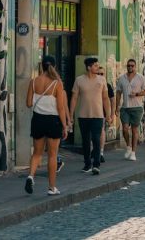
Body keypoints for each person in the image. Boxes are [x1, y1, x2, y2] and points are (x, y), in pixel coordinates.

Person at [25, 56, 69, 197]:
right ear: (54, 67)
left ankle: (31, 176)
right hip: (53, 120)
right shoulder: (57, 84)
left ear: (41, 66)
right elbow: (61, 108)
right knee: (52, 155)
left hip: (37, 119)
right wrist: (65, 125)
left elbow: (28, 103)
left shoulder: (34, 81)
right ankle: (52, 187)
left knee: (37, 153)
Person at [70, 57, 112, 174]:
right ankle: (87, 163)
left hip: (98, 115)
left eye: (97, 65)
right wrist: (70, 114)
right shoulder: (79, 80)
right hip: (83, 115)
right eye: (95, 65)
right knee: (85, 141)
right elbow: (74, 98)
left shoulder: (102, 80)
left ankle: (96, 165)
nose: (97, 67)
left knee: (96, 140)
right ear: (89, 67)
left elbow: (105, 98)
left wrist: (108, 115)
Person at [115, 59, 145, 161]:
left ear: (135, 67)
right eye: (128, 66)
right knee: (125, 129)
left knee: (134, 130)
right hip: (125, 108)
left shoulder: (141, 78)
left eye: (132, 66)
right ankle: (128, 146)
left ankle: (133, 152)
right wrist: (117, 106)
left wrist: (137, 94)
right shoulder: (122, 78)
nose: (130, 67)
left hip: (137, 108)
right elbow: (118, 93)